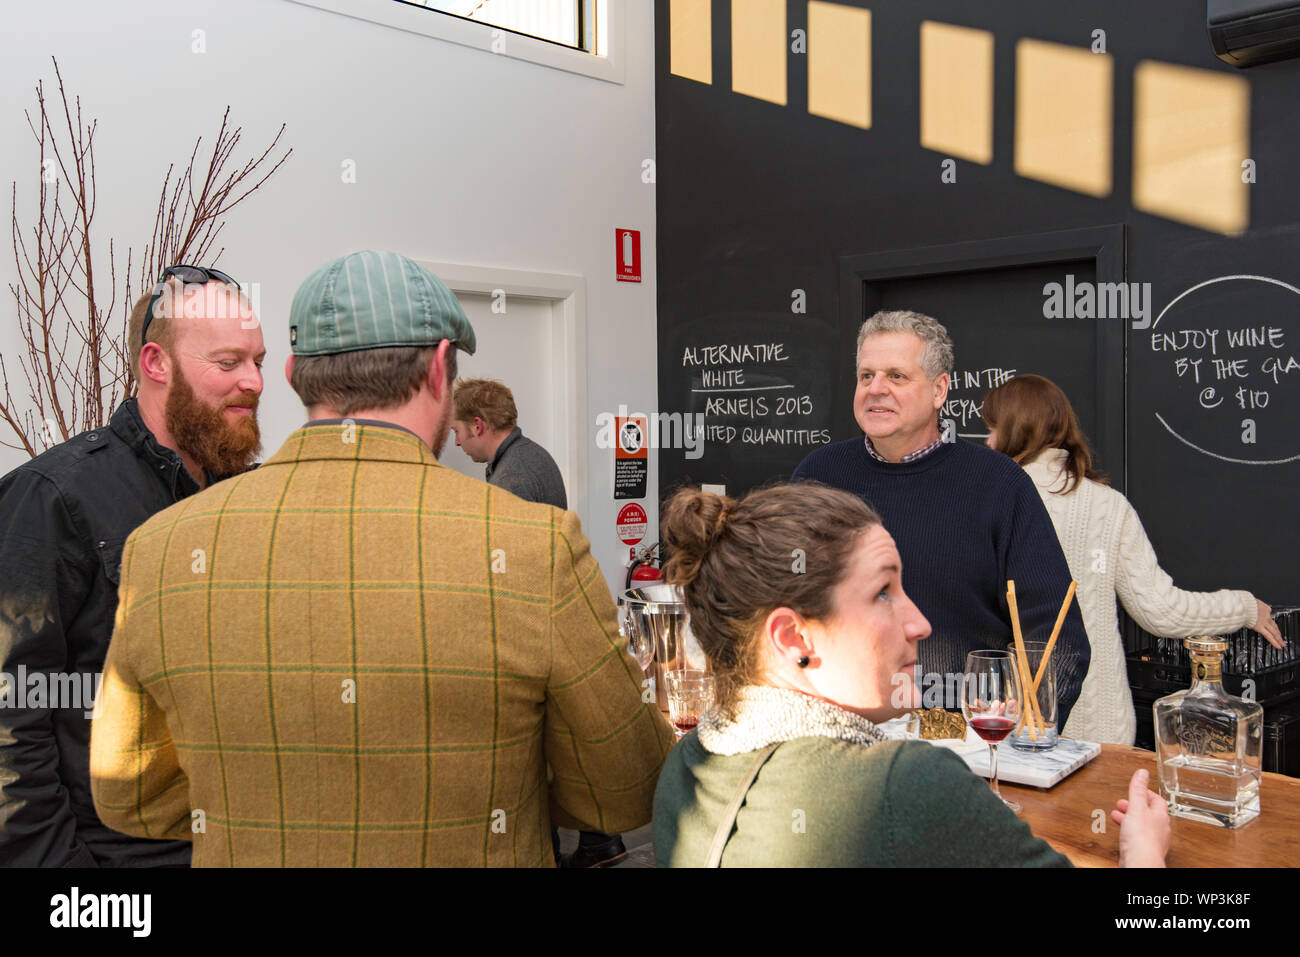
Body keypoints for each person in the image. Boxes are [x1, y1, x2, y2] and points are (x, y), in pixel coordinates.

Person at [90, 250, 673, 867]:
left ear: (290, 374)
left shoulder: (161, 547)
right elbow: (628, 785)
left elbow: (129, 794)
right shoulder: (536, 546)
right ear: (442, 369)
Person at [652, 483, 1170, 867]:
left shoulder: (684, 765)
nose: (919, 622)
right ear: (793, 638)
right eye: (883, 592)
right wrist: (1144, 854)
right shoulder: (905, 784)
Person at [0, 266, 264, 866]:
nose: (252, 381)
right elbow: (9, 722)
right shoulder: (55, 498)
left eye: (258, 361)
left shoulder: (243, 502)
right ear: (155, 363)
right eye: (228, 363)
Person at [791, 311, 1090, 727]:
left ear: (939, 390)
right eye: (866, 376)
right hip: (839, 726)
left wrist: (1022, 725)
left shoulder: (999, 483)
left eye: (896, 376)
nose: (876, 389)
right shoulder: (817, 475)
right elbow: (781, 599)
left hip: (957, 735)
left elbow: (1054, 633)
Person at [982, 374, 1284, 745]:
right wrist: (1244, 606)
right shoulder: (1107, 506)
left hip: (1006, 723)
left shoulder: (989, 501)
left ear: (1016, 430)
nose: (987, 441)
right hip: (1101, 730)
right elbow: (1160, 610)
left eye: (993, 429)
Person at [451, 378, 567, 509]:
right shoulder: (533, 453)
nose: (457, 442)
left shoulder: (510, 480)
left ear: (477, 426)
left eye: (456, 431)